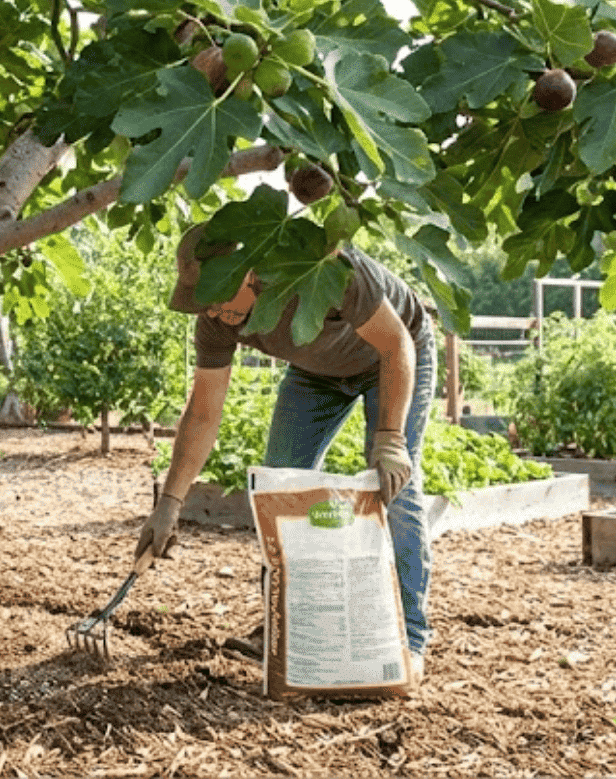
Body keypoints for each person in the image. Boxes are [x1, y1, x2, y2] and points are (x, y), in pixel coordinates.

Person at [136, 224, 439, 677]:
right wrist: (169, 503)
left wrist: (391, 439)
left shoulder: (331, 266)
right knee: (278, 486)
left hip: (392, 357)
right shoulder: (218, 321)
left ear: (249, 273)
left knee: (392, 487)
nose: (213, 310)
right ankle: (282, 627)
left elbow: (396, 344)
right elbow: (203, 413)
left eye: (219, 295)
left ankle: (409, 640)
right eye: (205, 302)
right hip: (314, 370)